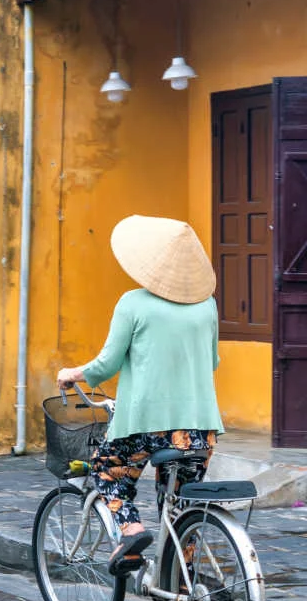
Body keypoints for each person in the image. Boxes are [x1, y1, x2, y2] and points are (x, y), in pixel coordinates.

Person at [56, 215, 224, 576]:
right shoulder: (207, 305)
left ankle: (131, 534)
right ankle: (181, 590)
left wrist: (72, 374)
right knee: (182, 508)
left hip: (147, 424)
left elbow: (105, 365)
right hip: (201, 429)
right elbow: (212, 361)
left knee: (106, 470)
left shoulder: (132, 303)